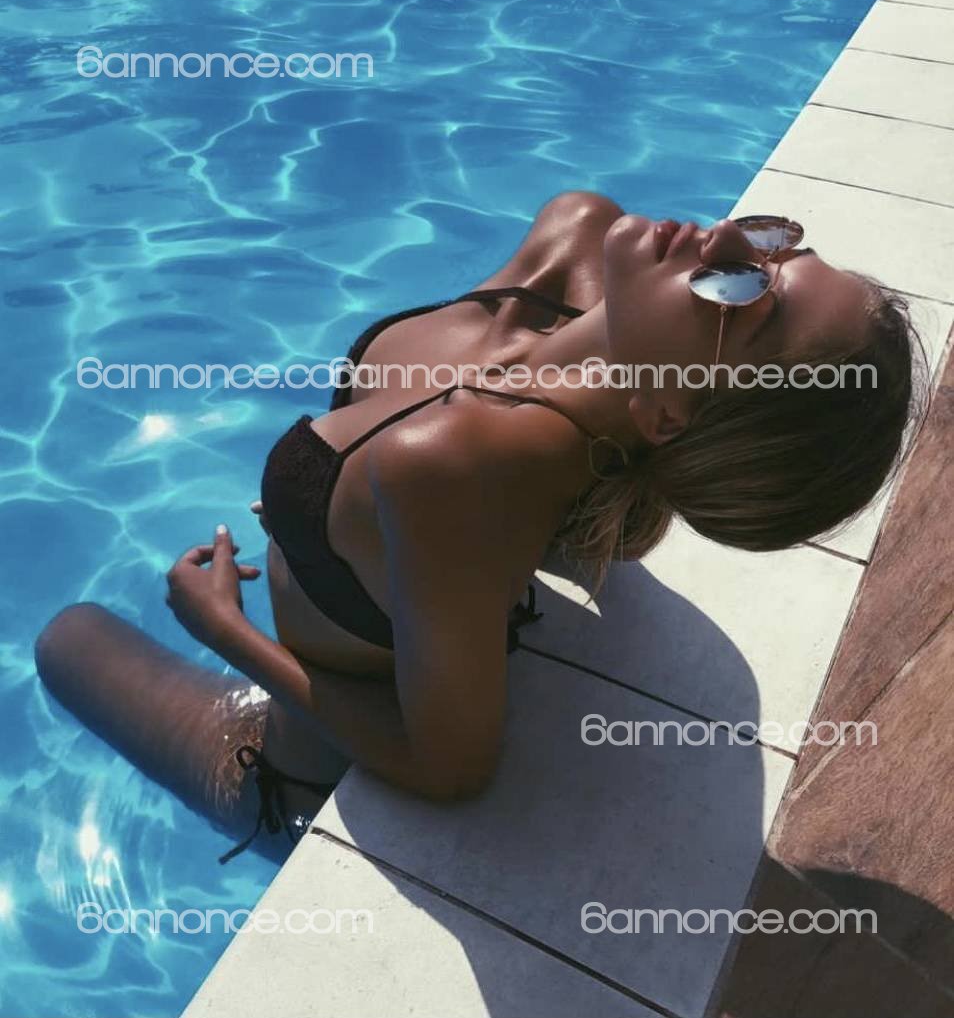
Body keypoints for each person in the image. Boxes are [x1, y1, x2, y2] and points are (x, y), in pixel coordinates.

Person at [34, 192, 926, 861]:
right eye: (776, 246)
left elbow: (449, 767)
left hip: (296, 758)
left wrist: (222, 626)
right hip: (429, 582)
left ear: (668, 415)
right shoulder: (579, 240)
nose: (726, 237)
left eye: (741, 291)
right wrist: (355, 529)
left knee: (61, 638)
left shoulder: (457, 466)